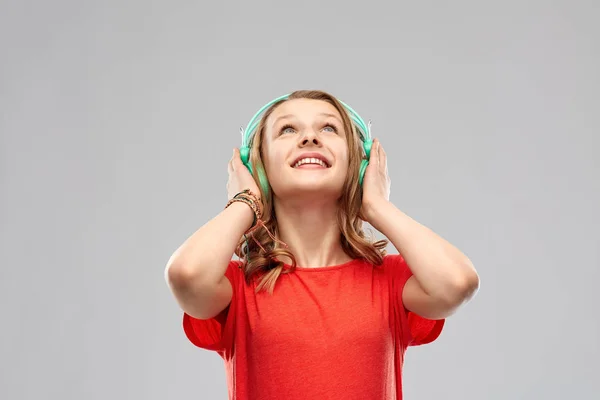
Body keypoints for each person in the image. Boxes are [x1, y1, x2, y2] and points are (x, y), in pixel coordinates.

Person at [164, 90, 480, 400]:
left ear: (358, 165)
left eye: (328, 128)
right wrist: (246, 201)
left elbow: (456, 283)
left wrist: (375, 205)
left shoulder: (389, 280)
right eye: (288, 129)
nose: (310, 138)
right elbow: (187, 276)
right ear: (258, 169)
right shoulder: (238, 286)